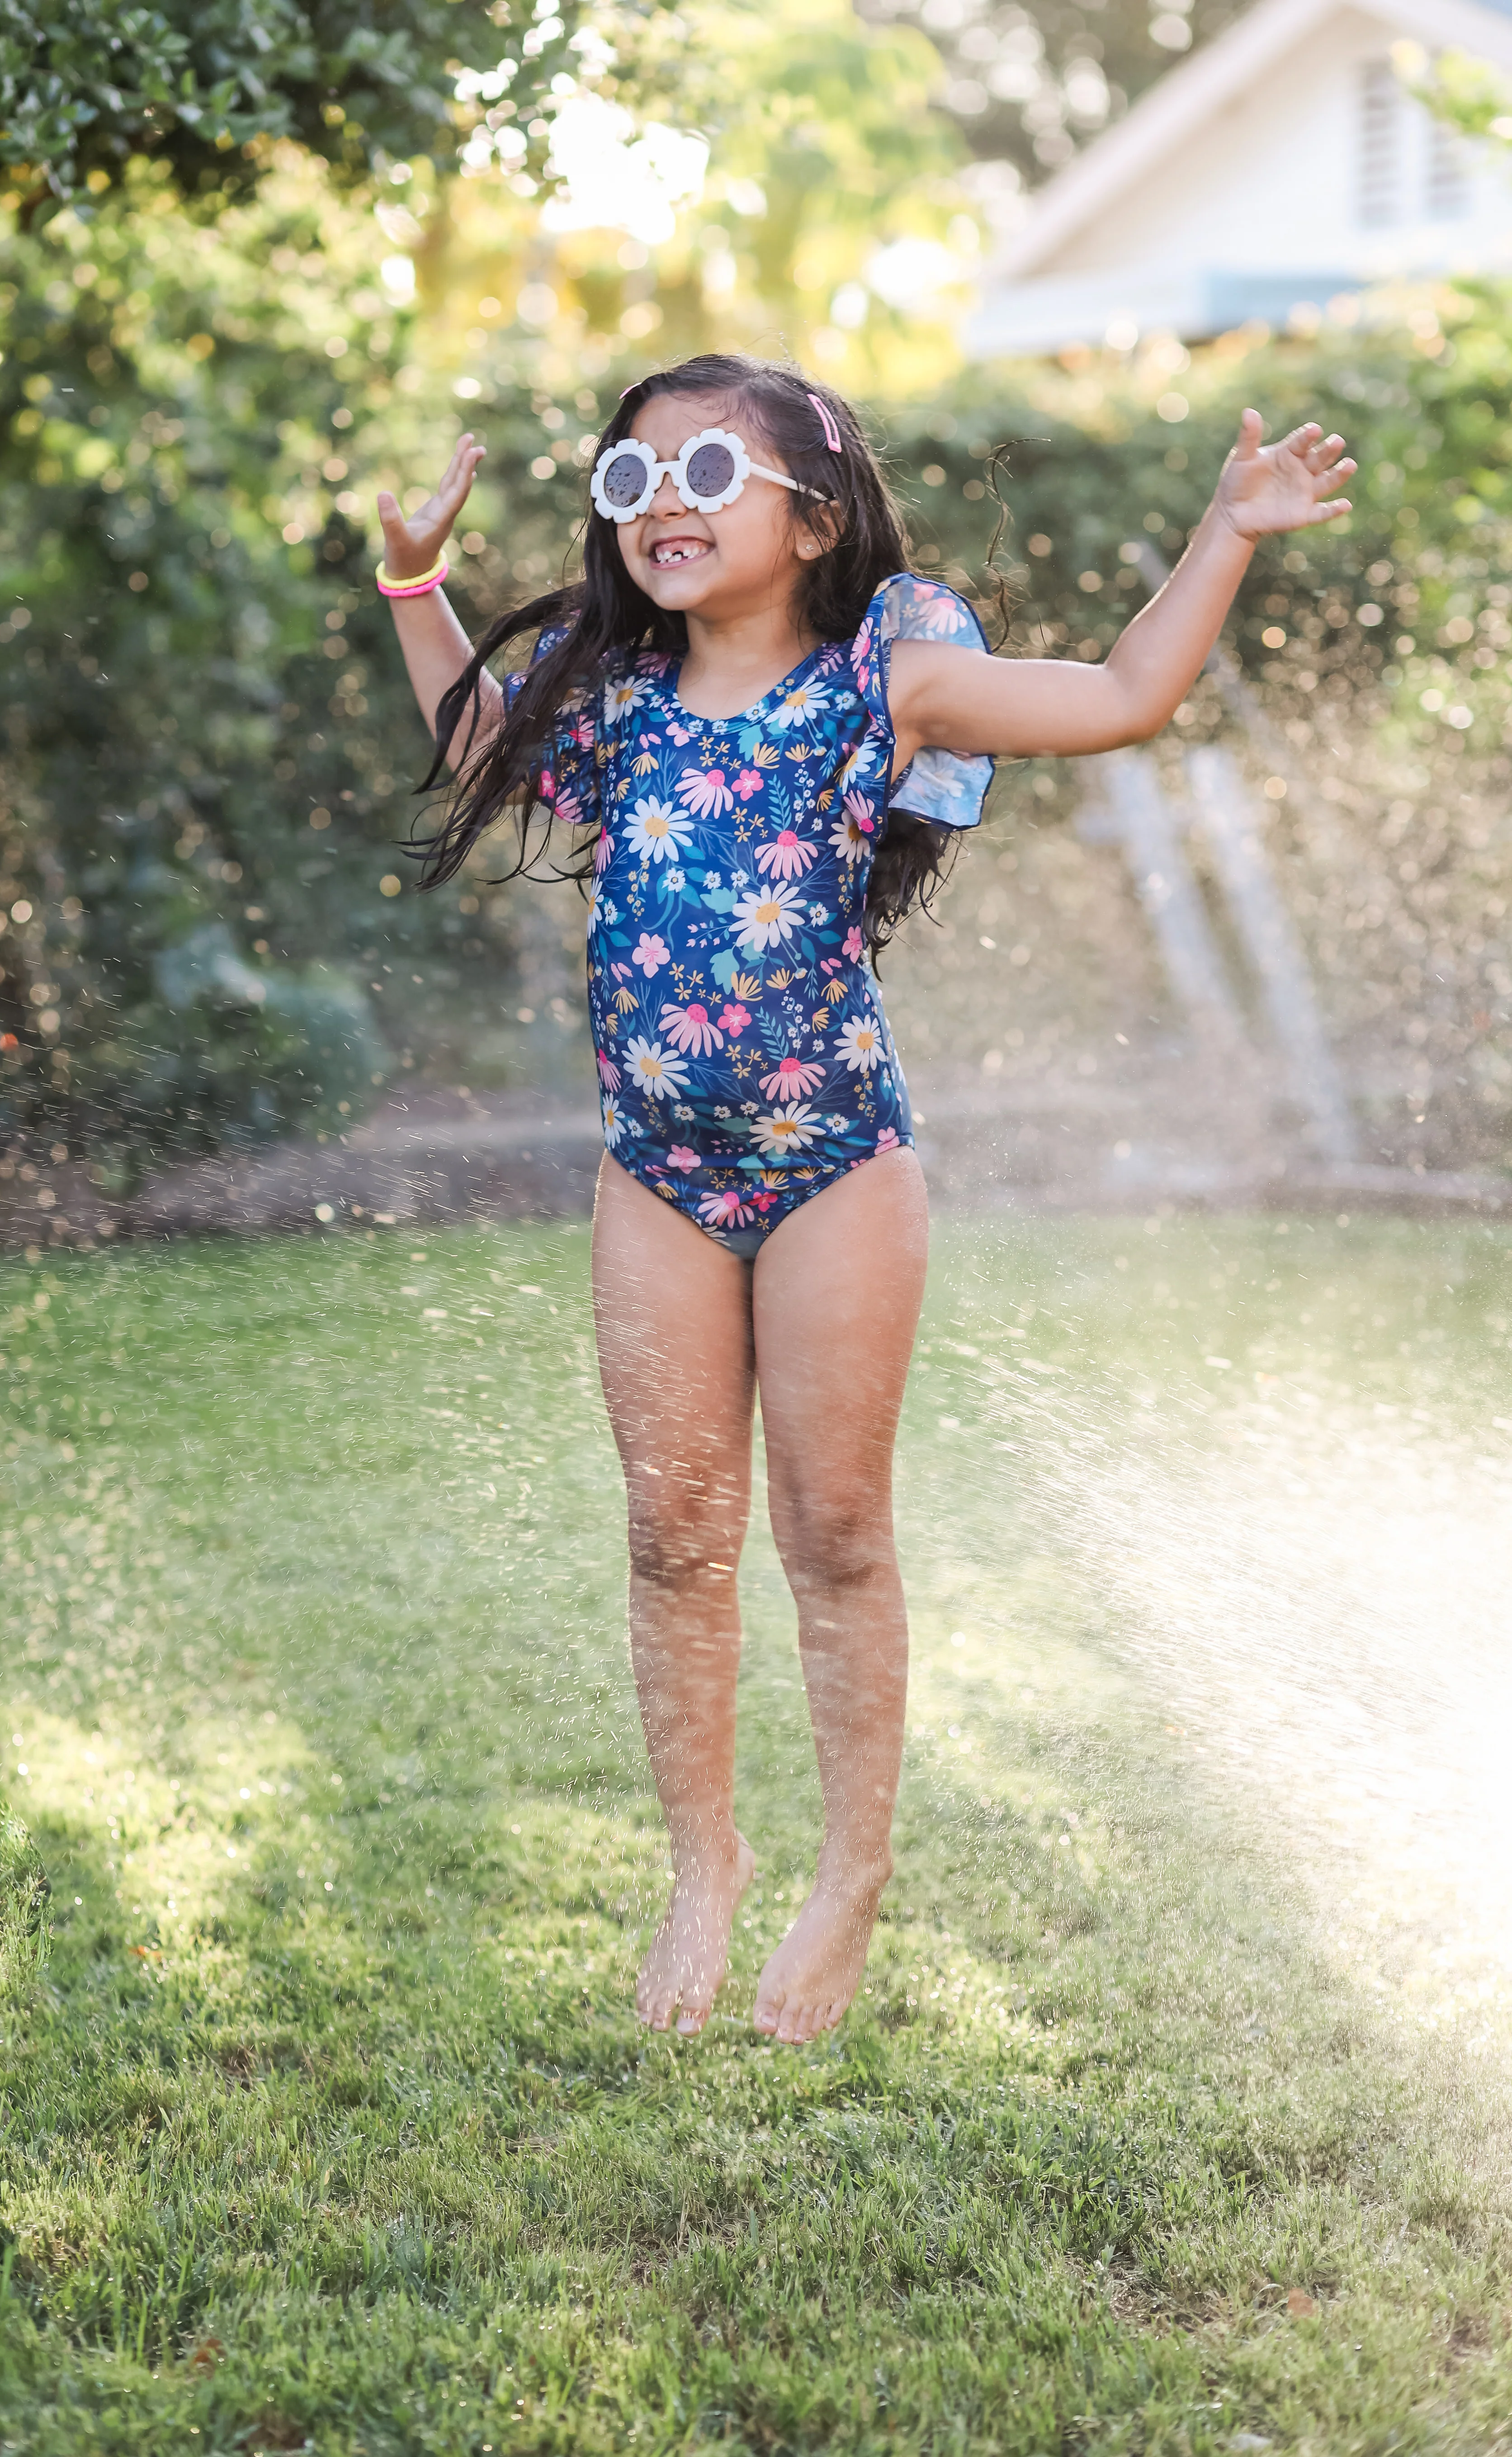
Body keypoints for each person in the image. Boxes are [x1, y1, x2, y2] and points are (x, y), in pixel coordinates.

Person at [376, 352, 1353, 2044]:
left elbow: (1123, 694)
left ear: (815, 519)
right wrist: (413, 584)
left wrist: (1228, 532)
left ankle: (854, 1875)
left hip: (839, 1166)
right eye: (630, 484)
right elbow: (483, 734)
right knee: (675, 1535)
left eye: (705, 478)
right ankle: (705, 1862)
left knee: (833, 1535)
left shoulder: (883, 687)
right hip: (658, 1176)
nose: (660, 510)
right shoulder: (606, 707)